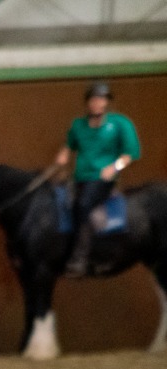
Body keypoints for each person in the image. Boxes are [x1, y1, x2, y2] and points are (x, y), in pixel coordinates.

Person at [56, 81, 141, 278]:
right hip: (80, 177)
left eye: (101, 100)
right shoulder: (78, 125)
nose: (97, 104)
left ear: (106, 103)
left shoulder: (120, 123)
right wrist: (63, 155)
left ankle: (81, 256)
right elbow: (69, 144)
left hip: (102, 178)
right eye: (93, 100)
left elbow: (131, 153)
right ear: (88, 103)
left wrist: (115, 167)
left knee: (83, 204)